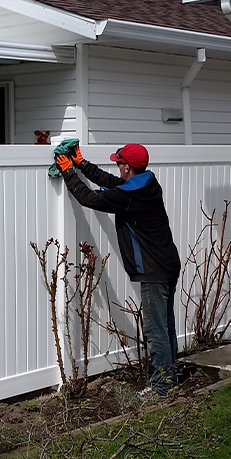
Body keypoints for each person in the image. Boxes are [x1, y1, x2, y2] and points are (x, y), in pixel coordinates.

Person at [55, 142, 181, 398]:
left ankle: (163, 387)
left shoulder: (129, 195)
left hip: (154, 270)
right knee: (165, 325)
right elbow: (113, 183)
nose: (117, 167)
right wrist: (81, 164)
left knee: (156, 330)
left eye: (118, 163)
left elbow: (88, 198)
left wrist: (68, 172)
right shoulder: (147, 182)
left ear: (127, 167)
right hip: (168, 263)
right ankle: (170, 377)